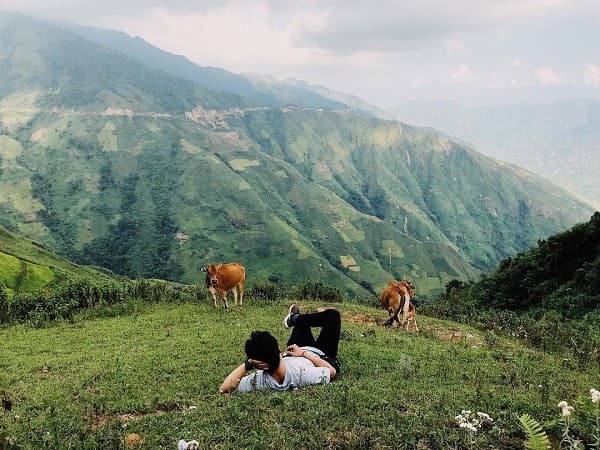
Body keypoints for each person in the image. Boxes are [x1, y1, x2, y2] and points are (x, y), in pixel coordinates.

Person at [219, 305, 341, 393]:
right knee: (333, 315)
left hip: (293, 351)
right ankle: (295, 318)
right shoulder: (300, 375)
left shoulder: (260, 380)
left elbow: (224, 388)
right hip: (320, 353)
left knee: (302, 327)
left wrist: (248, 364)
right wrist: (303, 353)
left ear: (259, 364)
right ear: (278, 351)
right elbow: (331, 371)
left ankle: (296, 318)